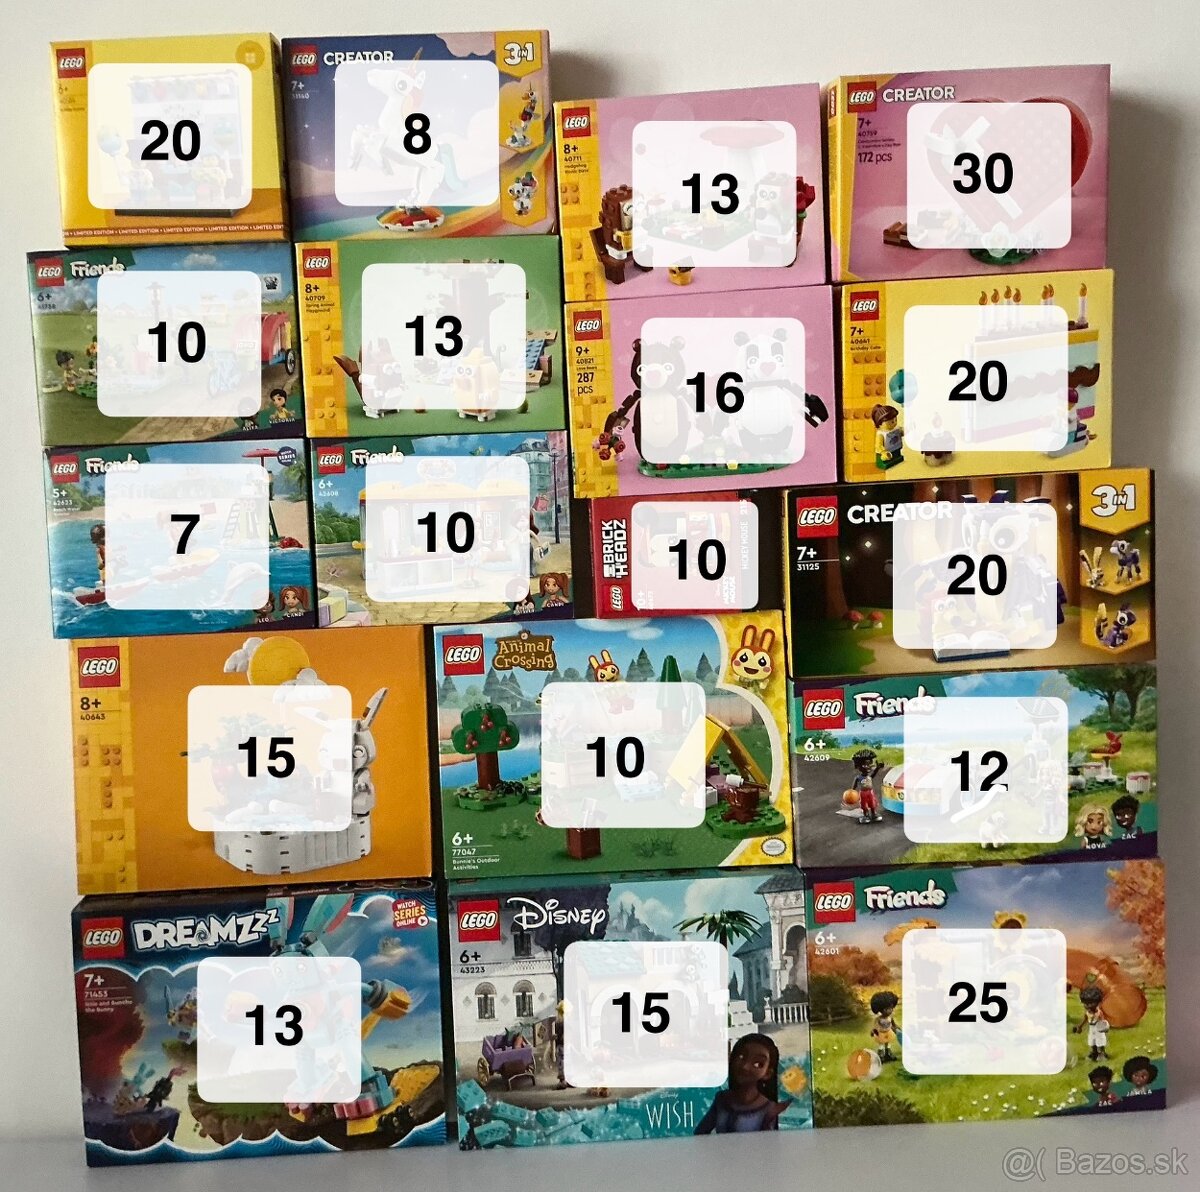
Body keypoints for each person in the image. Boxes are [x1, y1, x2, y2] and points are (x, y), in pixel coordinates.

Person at [695, 1034, 791, 1134]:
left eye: (758, 1064)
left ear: (767, 1073)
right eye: (741, 1057)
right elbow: (700, 1132)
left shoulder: (768, 1109)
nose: (745, 1066)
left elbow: (769, 1141)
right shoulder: (722, 1099)